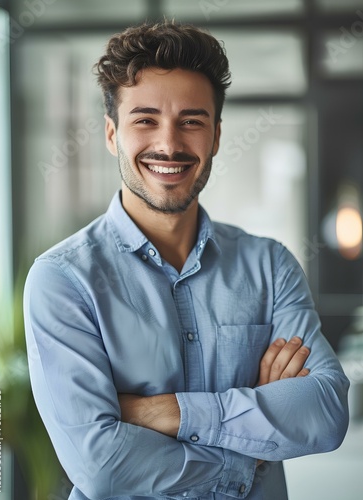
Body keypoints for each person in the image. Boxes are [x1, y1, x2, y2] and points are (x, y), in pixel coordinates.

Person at [24, 20, 349, 500]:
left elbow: (324, 413)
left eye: (191, 121)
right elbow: (102, 466)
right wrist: (249, 447)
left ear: (216, 136)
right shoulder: (63, 280)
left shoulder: (270, 266)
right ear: (113, 134)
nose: (169, 144)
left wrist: (161, 411)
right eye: (145, 119)